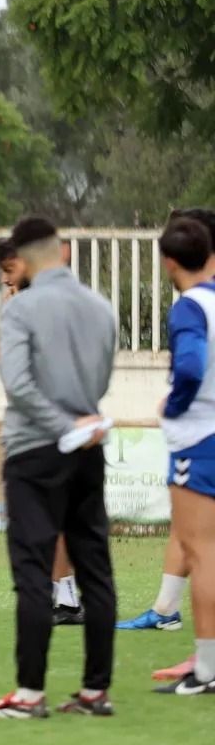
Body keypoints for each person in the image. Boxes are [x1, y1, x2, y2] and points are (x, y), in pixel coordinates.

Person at [0, 215, 118, 718]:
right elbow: (103, 372)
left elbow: (16, 383)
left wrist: (60, 424)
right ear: (60, 251)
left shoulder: (21, 308)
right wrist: (81, 420)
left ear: (23, 257)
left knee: (33, 570)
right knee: (95, 569)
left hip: (35, 450)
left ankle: (30, 693)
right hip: (88, 445)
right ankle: (95, 690)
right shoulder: (100, 307)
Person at [0, 239, 86, 626]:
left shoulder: (24, 313)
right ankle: (65, 596)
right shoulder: (68, 305)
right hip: (70, 423)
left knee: (42, 521)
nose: (6, 285)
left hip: (41, 430)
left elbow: (13, 375)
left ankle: (60, 598)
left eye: (9, 276)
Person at [151, 216, 215, 696]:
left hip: (199, 438)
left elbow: (191, 367)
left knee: (201, 551)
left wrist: (172, 406)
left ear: (170, 263)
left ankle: (208, 670)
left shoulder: (190, 307)